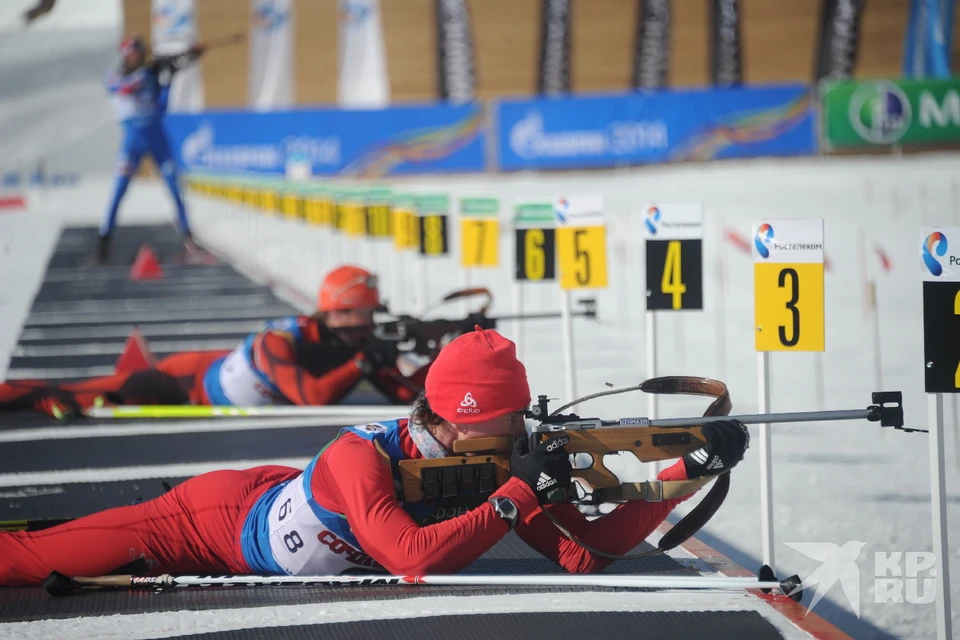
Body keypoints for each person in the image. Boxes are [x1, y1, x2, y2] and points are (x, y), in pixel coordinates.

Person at [0, 326, 750, 585]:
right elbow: (411, 559)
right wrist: (519, 495)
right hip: (204, 523)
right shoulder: (361, 455)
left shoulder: (495, 466)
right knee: (30, 562)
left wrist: (687, 475)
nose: (521, 433)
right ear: (459, 423)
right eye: (508, 420)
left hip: (264, 513)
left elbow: (589, 553)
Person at [0, 266, 427, 418]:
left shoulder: (354, 346)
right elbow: (312, 399)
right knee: (80, 394)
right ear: (337, 313)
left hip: (208, 380)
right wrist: (364, 364)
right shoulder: (278, 341)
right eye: (366, 315)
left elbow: (406, 395)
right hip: (184, 382)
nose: (372, 324)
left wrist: (437, 358)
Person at [94, 35, 206, 265]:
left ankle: (188, 239)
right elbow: (125, 87)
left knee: (175, 188)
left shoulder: (150, 76)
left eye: (141, 54)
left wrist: (170, 78)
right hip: (132, 144)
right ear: (126, 55)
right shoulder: (115, 78)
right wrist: (155, 71)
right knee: (118, 192)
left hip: (158, 140)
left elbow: (161, 105)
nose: (139, 58)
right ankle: (104, 244)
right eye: (135, 54)